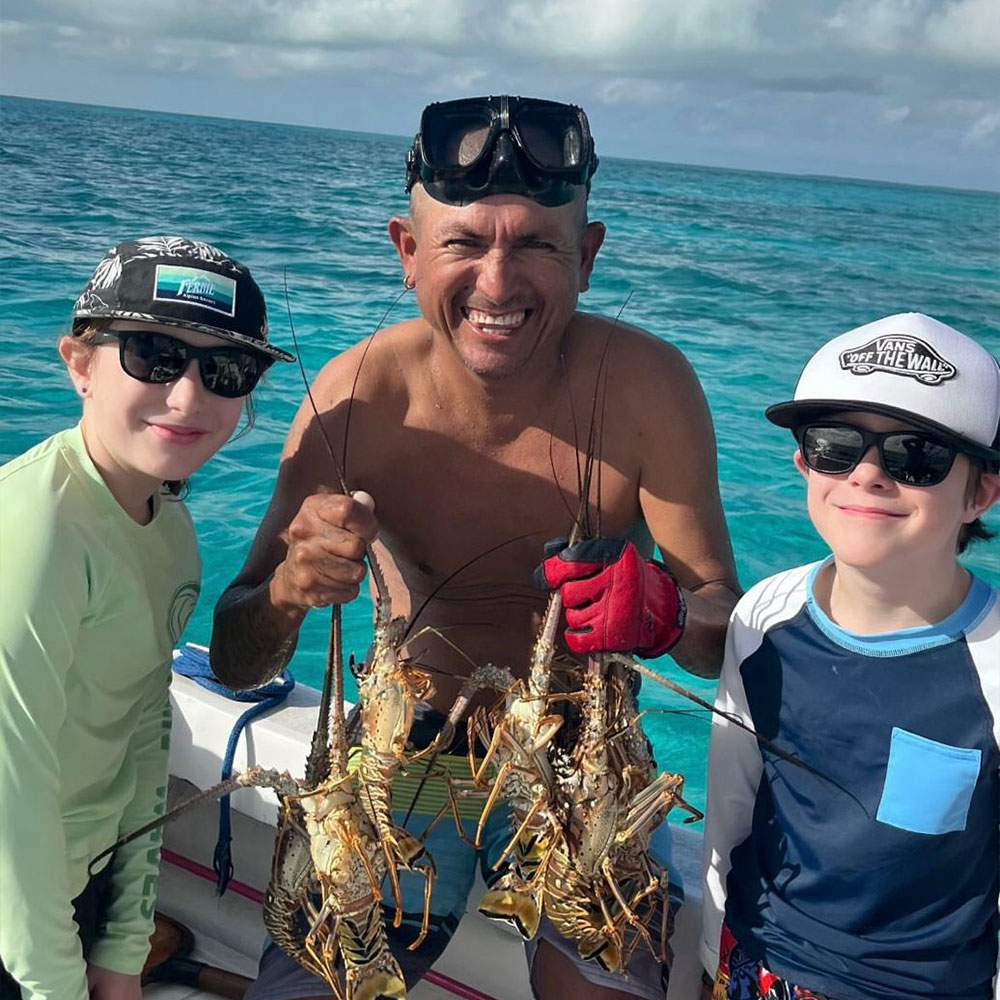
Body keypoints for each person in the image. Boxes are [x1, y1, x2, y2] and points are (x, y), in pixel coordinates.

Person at [211, 95, 740, 1000]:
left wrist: (661, 610)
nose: (498, 283)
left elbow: (717, 629)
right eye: (463, 244)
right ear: (408, 252)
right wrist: (292, 589)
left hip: (585, 755)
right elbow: (235, 650)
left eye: (536, 242)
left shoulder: (649, 388)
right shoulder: (355, 397)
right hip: (407, 756)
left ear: (588, 255)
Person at [0, 237, 293, 1000]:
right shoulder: (34, 531)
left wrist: (124, 946)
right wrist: (56, 982)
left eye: (224, 371)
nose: (189, 396)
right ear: (79, 364)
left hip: (72, 891)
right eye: (154, 356)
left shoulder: (170, 534)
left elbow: (143, 730)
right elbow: (11, 790)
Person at [699, 313, 1000, 1000]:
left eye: (914, 455)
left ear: (979, 492)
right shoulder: (763, 617)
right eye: (837, 446)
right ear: (804, 462)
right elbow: (730, 820)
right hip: (750, 965)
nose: (866, 474)